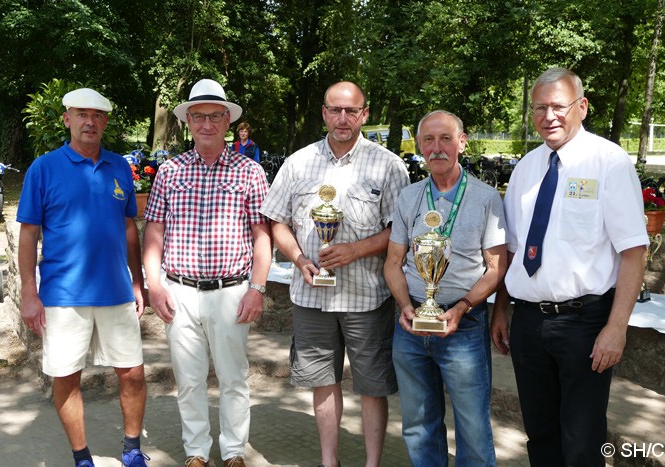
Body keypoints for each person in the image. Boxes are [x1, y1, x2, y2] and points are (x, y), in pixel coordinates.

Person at [491, 67, 648, 466]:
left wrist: (616, 328)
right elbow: (515, 248)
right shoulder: (527, 167)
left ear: (581, 107)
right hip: (527, 324)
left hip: (584, 324)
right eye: (540, 107)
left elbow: (633, 251)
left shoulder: (608, 162)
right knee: (540, 436)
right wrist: (503, 309)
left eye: (558, 106)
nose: (549, 116)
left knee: (581, 442)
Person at [260, 81, 410, 467]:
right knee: (321, 381)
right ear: (324, 113)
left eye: (351, 111)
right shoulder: (298, 162)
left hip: (366, 296)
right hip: (311, 295)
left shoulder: (388, 165)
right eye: (335, 110)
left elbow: (402, 230)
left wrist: (356, 250)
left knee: (372, 386)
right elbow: (276, 220)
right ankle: (330, 462)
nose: (343, 118)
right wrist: (298, 260)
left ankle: (372, 463)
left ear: (364, 114)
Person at [142, 78, 271, 467]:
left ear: (228, 120)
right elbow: (154, 231)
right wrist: (154, 284)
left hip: (232, 291)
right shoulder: (170, 171)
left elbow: (261, 235)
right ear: (189, 121)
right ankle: (196, 451)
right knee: (190, 379)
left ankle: (233, 451)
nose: (207, 124)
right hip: (179, 291)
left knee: (233, 378)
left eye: (216, 116)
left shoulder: (250, 172)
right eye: (199, 116)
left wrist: (258, 288)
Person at [17, 88, 148, 467]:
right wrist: (29, 291)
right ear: (67, 119)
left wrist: (137, 281)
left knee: (134, 375)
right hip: (62, 295)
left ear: (105, 122)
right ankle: (81, 456)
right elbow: (28, 233)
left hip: (117, 292)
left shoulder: (120, 167)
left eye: (97, 115)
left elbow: (128, 227)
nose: (89, 121)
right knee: (67, 377)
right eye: (81, 114)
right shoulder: (43, 168)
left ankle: (132, 449)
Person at [383, 110, 507, 466]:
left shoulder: (486, 198)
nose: (437, 148)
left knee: (472, 426)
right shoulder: (409, 197)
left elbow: (497, 267)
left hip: (464, 325)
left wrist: (463, 306)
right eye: (428, 140)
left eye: (446, 139)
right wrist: (405, 305)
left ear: (462, 142)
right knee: (418, 425)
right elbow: (393, 262)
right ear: (420, 146)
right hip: (410, 325)